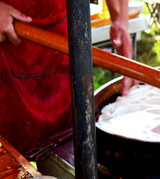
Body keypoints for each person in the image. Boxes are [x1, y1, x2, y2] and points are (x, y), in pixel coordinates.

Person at [0, 0, 133, 154]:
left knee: (69, 147)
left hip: (65, 34)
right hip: (8, 37)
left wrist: (119, 17)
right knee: (10, 164)